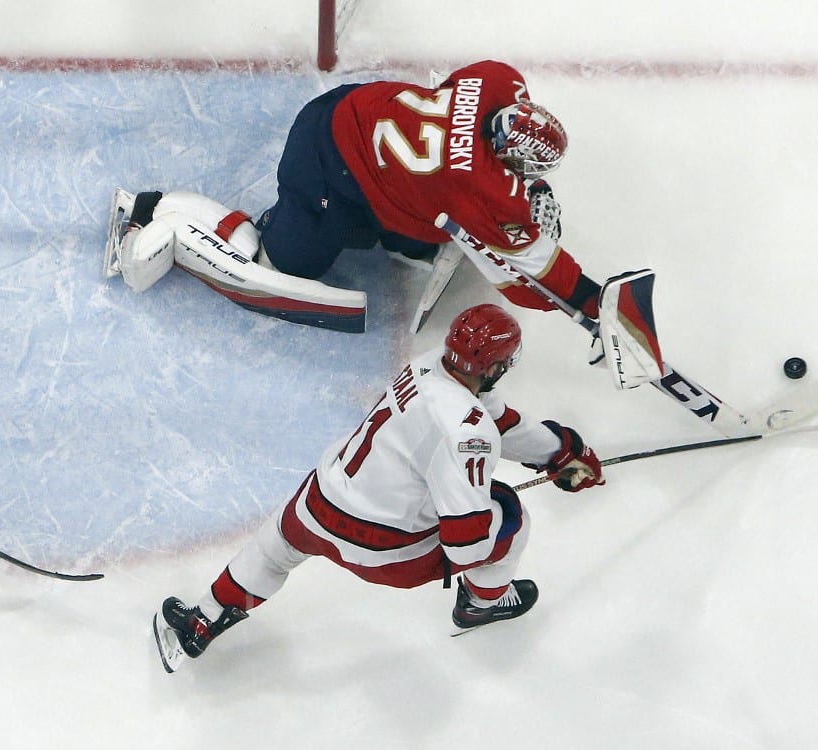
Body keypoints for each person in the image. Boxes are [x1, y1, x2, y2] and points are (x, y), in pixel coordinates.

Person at [153, 303, 604, 671]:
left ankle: (203, 622)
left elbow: (496, 417)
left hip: (318, 505)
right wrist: (492, 506)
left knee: (273, 552)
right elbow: (465, 545)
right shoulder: (470, 435)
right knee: (509, 515)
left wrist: (560, 451)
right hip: (387, 553)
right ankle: (482, 604)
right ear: (497, 366)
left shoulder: (425, 364)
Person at [106, 59, 603, 331]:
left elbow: (452, 89)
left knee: (420, 227)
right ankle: (162, 211)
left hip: (348, 106)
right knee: (281, 264)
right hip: (325, 165)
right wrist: (591, 302)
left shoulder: (497, 79)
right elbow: (528, 279)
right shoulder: (478, 185)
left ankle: (390, 230)